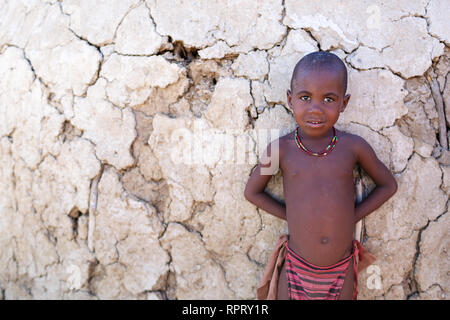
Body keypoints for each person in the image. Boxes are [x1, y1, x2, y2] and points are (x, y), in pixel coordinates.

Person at [244, 51, 398, 300]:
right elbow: (252, 192)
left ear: (343, 104)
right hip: (296, 267)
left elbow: (388, 185)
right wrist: (293, 216)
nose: (315, 109)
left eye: (328, 99)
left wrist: (352, 216)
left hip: (341, 269)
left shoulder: (353, 147)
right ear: (290, 99)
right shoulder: (279, 149)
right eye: (305, 97)